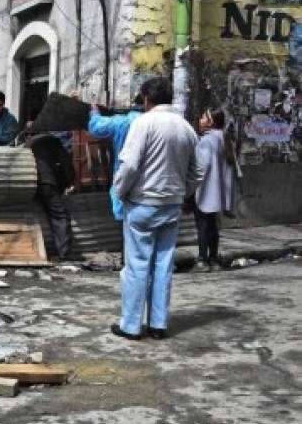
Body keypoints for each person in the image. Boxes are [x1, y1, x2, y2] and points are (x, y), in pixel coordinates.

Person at [111, 78, 203, 341]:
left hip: (142, 204)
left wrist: (120, 192)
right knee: (163, 264)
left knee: (137, 265)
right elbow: (198, 171)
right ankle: (158, 325)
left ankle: (130, 325)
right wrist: (181, 193)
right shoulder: (186, 128)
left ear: (147, 100)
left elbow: (129, 166)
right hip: (171, 205)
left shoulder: (144, 123)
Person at [88, 95, 145, 221]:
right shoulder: (161, 123)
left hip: (127, 187)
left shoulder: (122, 121)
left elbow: (96, 127)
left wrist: (94, 111)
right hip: (157, 192)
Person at [26, 123, 77, 260]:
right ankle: (65, 253)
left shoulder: (28, 144)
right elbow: (65, 162)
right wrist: (70, 181)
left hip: (31, 184)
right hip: (47, 183)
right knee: (60, 215)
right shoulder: (52, 141)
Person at [193, 108, 235, 272]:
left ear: (211, 122)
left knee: (203, 226)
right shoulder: (224, 139)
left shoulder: (207, 141)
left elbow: (201, 169)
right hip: (218, 193)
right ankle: (214, 259)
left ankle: (202, 260)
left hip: (205, 191)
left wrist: (190, 186)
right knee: (213, 226)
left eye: (203, 117)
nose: (200, 119)